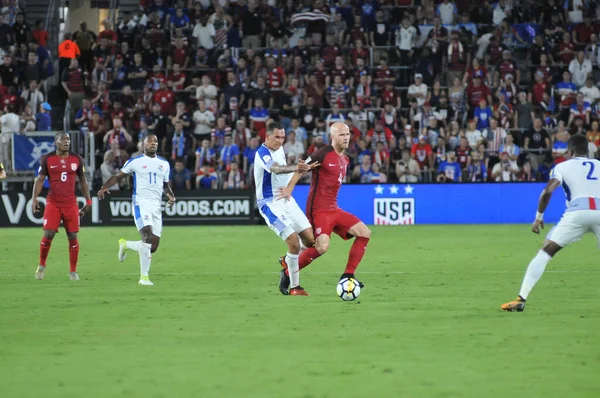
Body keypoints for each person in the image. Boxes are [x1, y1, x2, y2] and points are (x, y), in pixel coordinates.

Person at [501, 135, 600, 312]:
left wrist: (539, 217)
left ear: (570, 151)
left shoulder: (562, 166)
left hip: (577, 212)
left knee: (546, 251)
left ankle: (521, 298)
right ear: (588, 150)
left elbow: (547, 191)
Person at [277, 122, 372, 289]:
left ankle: (348, 276)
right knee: (321, 247)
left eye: (348, 134)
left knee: (364, 233)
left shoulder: (345, 159)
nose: (346, 138)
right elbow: (302, 168)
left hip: (334, 208)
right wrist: (289, 189)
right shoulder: (322, 154)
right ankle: (288, 272)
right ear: (332, 137)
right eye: (342, 135)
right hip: (319, 210)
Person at [97, 134, 176, 286]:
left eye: (156, 141)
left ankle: (125, 244)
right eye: (150, 141)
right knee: (147, 236)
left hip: (156, 206)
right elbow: (118, 176)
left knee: (152, 247)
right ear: (143, 145)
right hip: (141, 203)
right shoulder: (135, 162)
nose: (153, 143)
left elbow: (165, 185)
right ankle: (144, 277)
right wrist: (105, 187)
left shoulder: (164, 164)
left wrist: (171, 196)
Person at [254, 122, 316, 296]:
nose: (280, 141)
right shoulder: (262, 153)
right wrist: (297, 167)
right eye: (277, 137)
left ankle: (287, 262)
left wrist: (299, 172)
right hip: (270, 203)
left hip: (286, 199)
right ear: (267, 137)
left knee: (311, 241)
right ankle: (295, 287)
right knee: (293, 241)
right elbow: (276, 169)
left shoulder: (279, 149)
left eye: (282, 137)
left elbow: (285, 173)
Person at [31, 132, 92, 281]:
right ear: (55, 142)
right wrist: (34, 199)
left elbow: (83, 181)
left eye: (68, 139)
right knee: (48, 234)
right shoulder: (47, 159)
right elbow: (39, 180)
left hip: (70, 203)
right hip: (53, 202)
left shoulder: (77, 159)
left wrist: (88, 201)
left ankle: (72, 272)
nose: (66, 142)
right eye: (63, 139)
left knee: (72, 236)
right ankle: (41, 265)